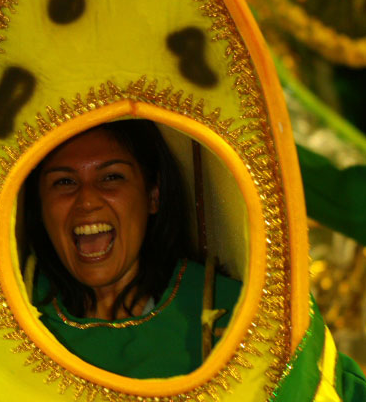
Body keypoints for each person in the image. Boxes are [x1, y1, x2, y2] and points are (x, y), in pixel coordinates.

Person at [22, 119, 241, 379]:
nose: (88, 200)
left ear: (152, 196)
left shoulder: (232, 312)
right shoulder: (9, 313)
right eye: (65, 182)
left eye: (111, 177)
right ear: (40, 204)